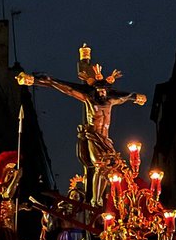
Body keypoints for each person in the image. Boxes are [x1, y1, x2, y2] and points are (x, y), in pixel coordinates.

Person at [17, 57, 147, 206]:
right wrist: (33, 80)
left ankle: (110, 201)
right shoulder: (89, 100)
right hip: (93, 137)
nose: (102, 93)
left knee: (112, 170)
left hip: (106, 139)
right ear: (95, 91)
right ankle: (95, 201)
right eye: (99, 90)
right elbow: (65, 87)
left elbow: (125, 97)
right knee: (100, 165)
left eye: (104, 91)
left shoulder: (111, 102)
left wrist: (136, 97)